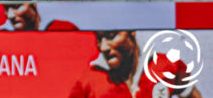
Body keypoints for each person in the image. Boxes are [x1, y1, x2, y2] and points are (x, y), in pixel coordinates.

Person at [69, 31, 205, 98]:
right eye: (99, 39)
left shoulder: (167, 65)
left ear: (131, 32)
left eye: (111, 36)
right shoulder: (87, 82)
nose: (103, 47)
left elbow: (191, 93)